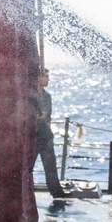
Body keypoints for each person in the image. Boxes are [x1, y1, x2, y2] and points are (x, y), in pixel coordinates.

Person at [34, 69, 66, 199]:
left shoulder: (47, 96)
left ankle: (57, 193)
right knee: (28, 167)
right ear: (38, 78)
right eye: (46, 76)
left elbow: (46, 116)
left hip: (45, 135)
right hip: (33, 136)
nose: (48, 79)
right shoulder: (30, 96)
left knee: (51, 166)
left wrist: (41, 116)